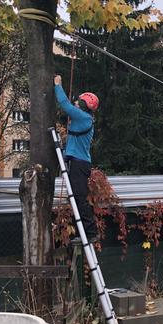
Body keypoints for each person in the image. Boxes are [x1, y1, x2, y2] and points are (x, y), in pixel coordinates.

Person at [54, 74, 100, 242]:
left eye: (78, 102)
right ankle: (83, 232)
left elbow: (64, 104)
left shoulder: (83, 117)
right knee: (74, 197)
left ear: (82, 105)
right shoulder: (83, 118)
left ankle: (90, 233)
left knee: (79, 197)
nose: (75, 103)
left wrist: (57, 85)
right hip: (77, 162)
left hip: (80, 164)